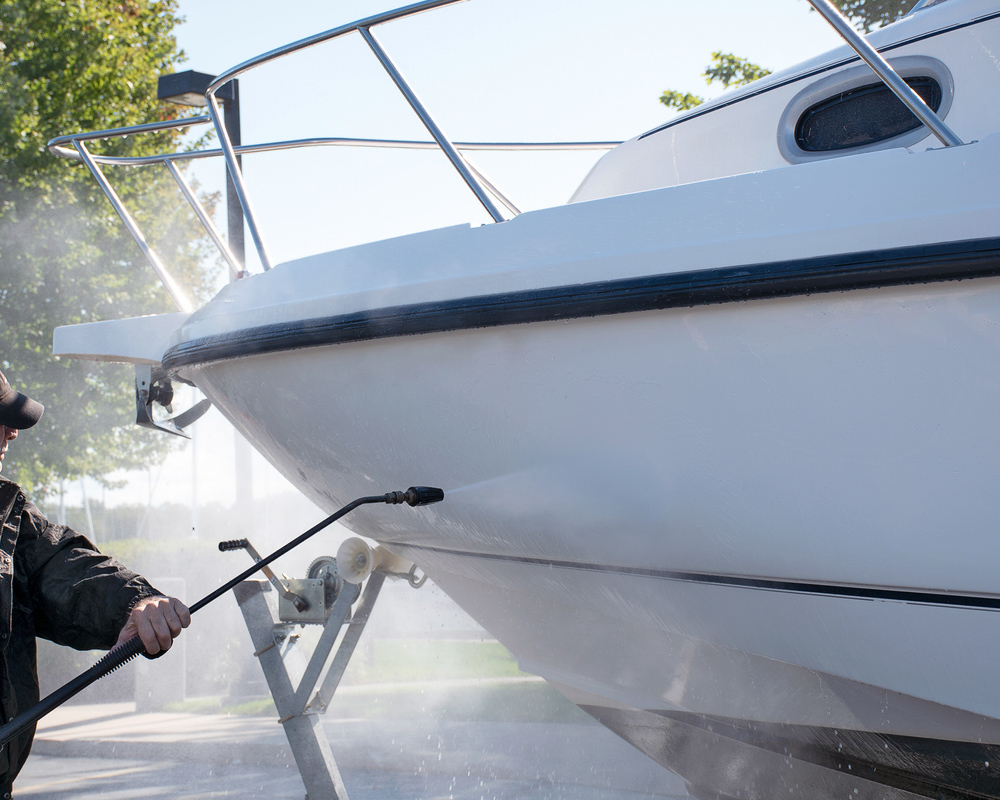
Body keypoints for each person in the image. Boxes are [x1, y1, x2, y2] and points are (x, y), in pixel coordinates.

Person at [0, 370, 190, 796]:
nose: (12, 433)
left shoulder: (8, 523)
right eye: (2, 419)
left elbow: (61, 565)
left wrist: (135, 603)